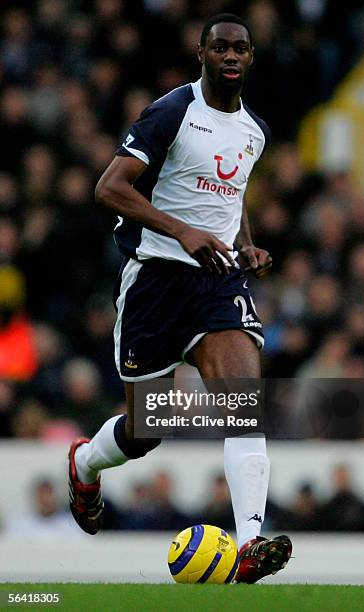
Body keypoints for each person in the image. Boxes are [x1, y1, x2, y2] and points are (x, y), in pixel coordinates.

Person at [68, 13, 292, 583]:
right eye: (220, 47)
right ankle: (85, 463)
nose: (231, 56)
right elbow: (110, 187)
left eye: (241, 48)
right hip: (156, 281)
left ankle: (248, 546)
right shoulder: (172, 111)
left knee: (244, 404)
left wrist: (245, 245)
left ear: (251, 57)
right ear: (201, 53)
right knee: (146, 430)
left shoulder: (254, 131)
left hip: (218, 283)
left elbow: (231, 194)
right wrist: (181, 231)